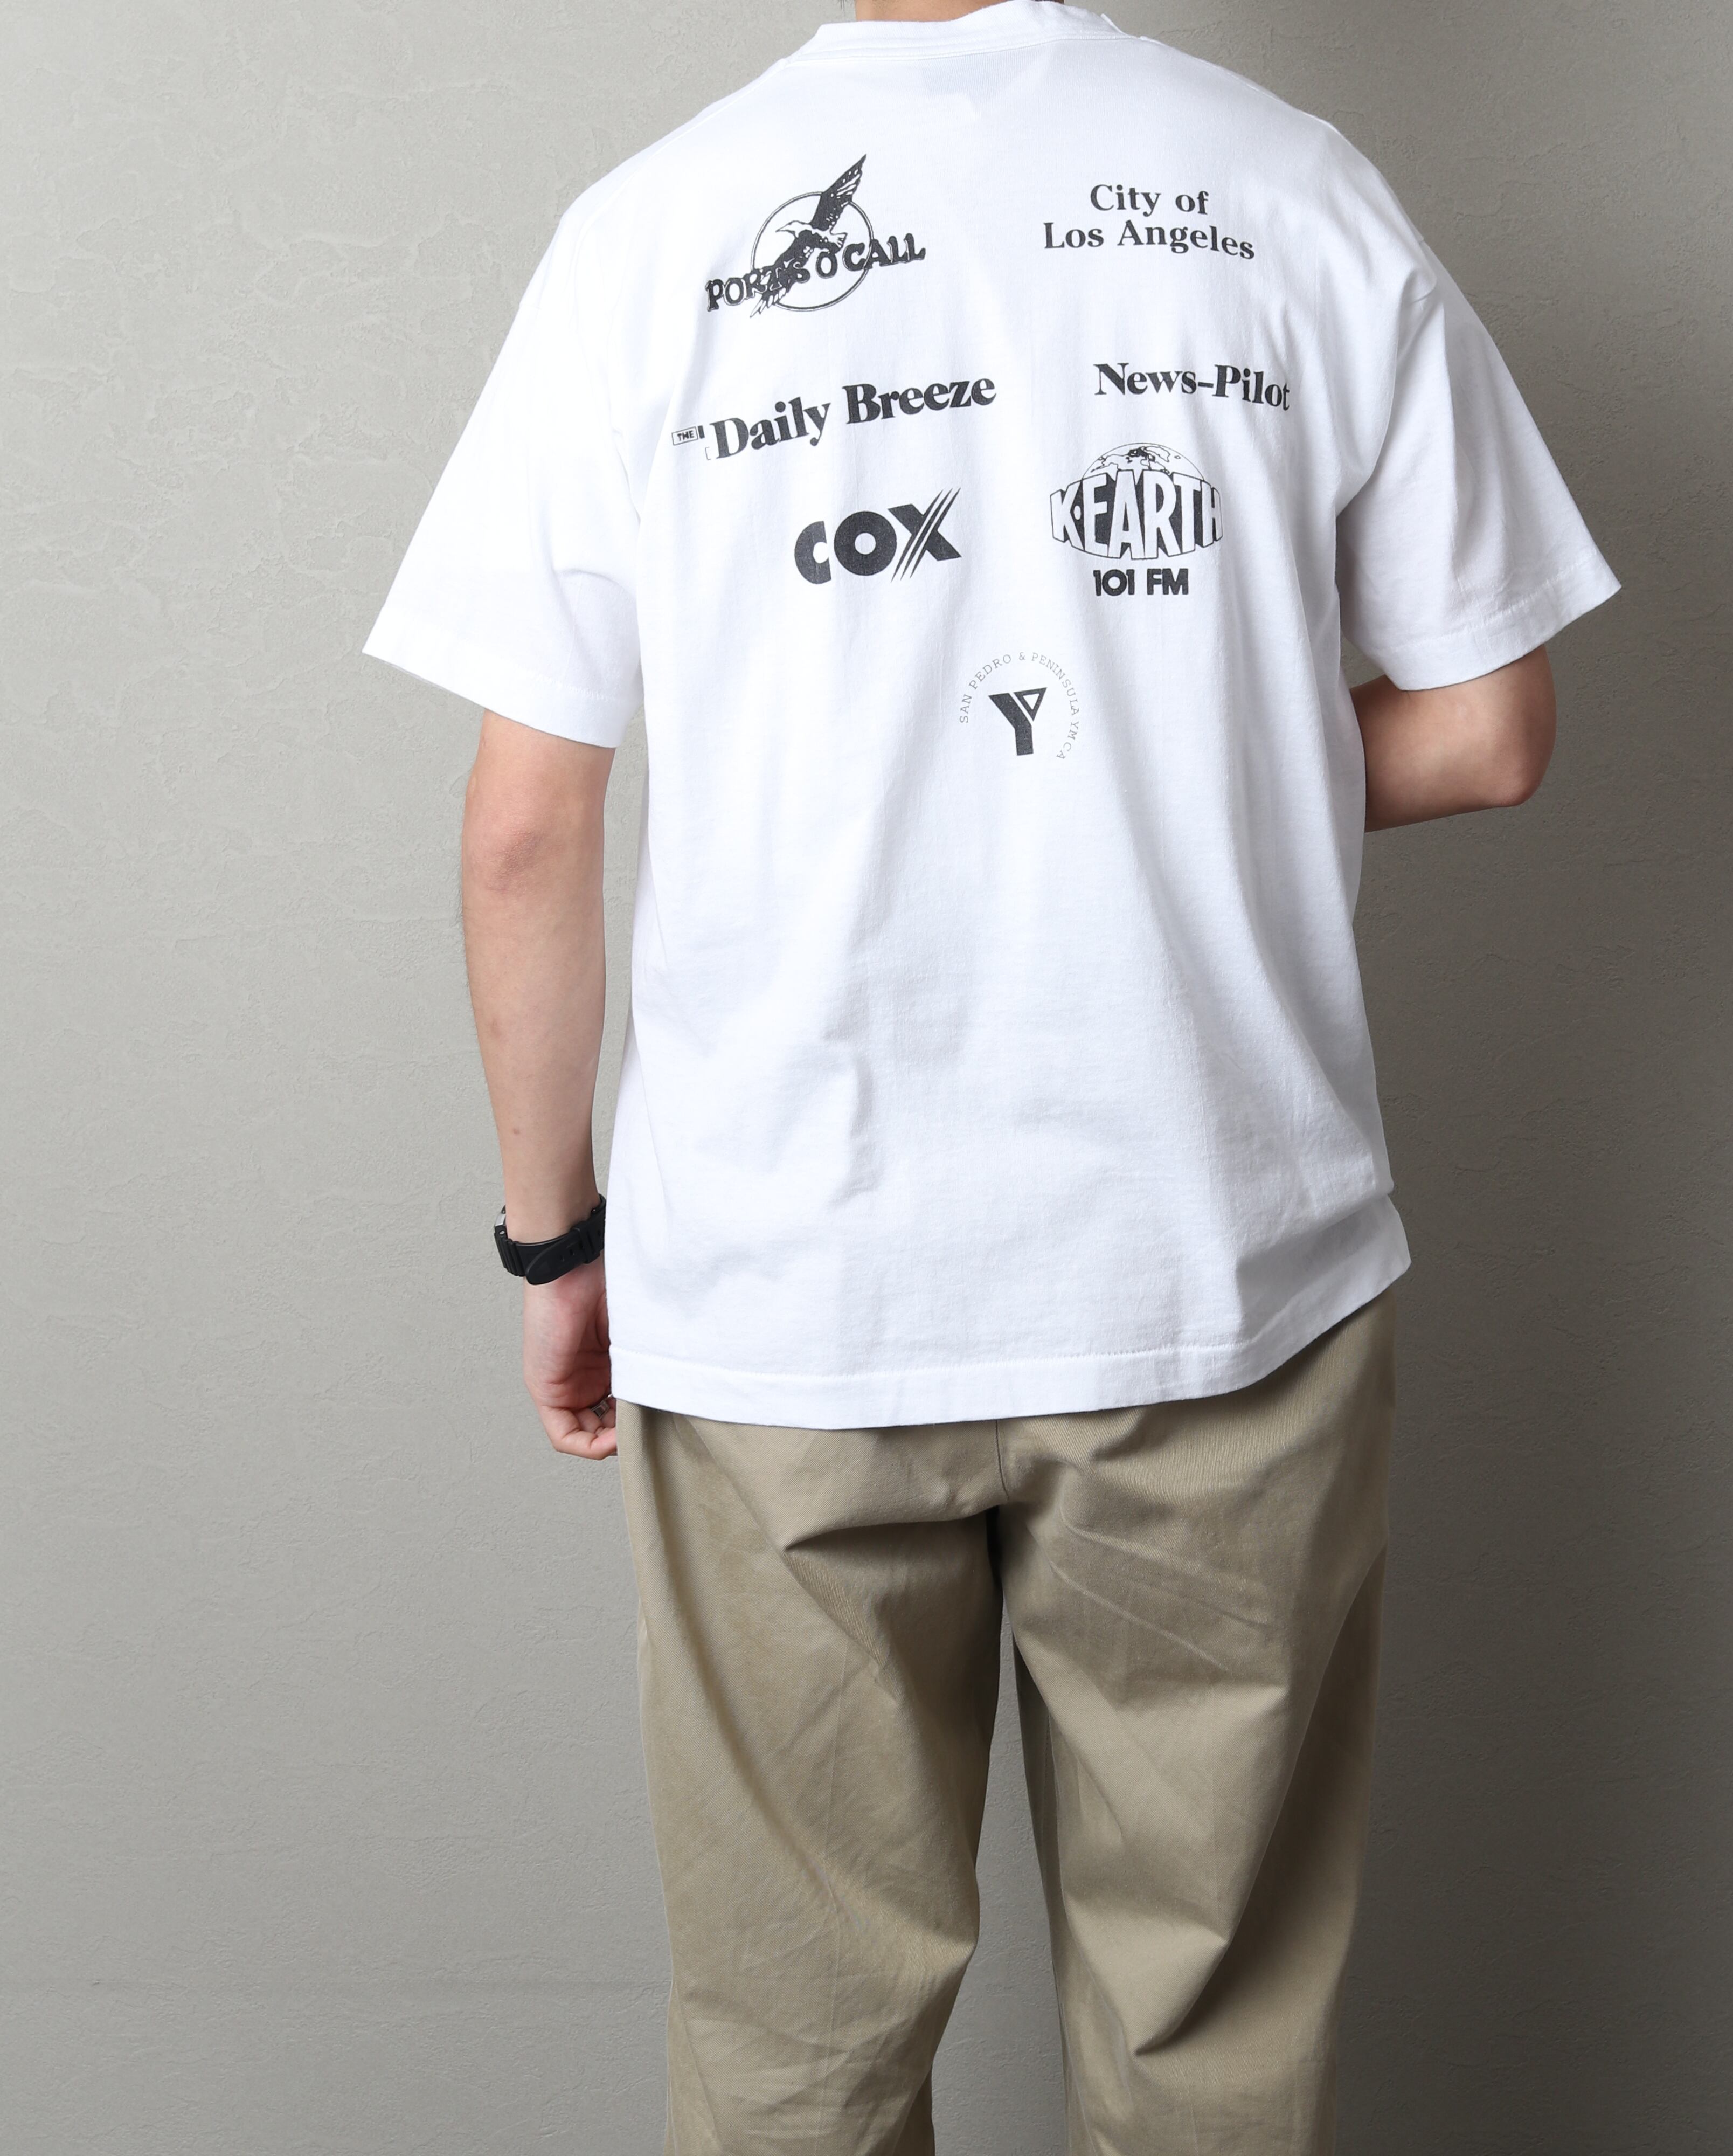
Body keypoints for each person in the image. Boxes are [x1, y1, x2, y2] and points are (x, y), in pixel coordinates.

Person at [364, 1, 1616, 2147]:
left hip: (786, 1288)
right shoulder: (1287, 187)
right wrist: (1183, 754)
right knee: (1213, 2047)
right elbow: (1490, 729)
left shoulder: (648, 234)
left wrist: (558, 1243)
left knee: (795, 2050)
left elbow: (523, 829)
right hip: (1215, 1266)